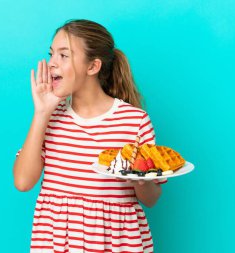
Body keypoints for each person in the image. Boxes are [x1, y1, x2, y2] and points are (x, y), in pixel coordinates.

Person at [13, 19, 167, 253]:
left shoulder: (134, 121)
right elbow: (23, 182)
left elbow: (152, 198)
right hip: (57, 244)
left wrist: (140, 180)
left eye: (64, 55)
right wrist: (42, 113)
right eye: (51, 53)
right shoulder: (50, 118)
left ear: (93, 66)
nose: (52, 63)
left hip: (117, 244)